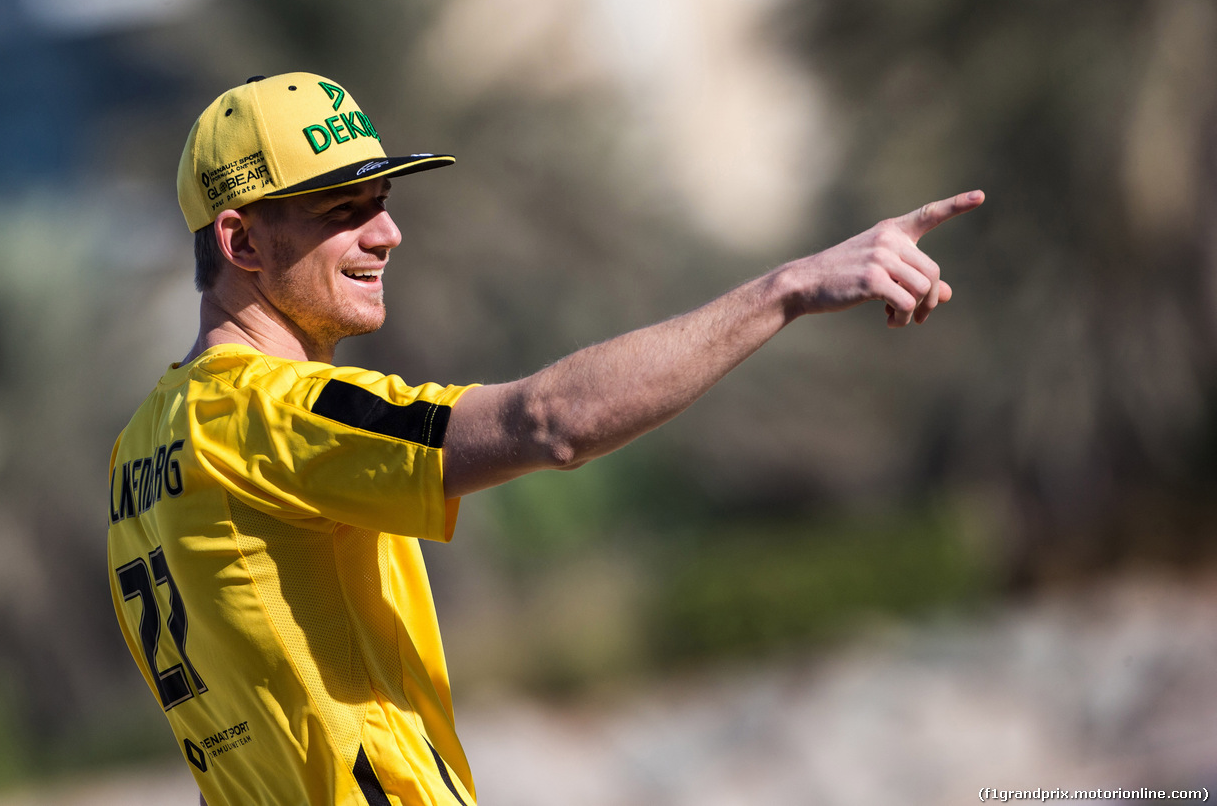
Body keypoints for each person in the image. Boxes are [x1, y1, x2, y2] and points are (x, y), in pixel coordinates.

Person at [107, 71, 983, 806]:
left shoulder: (140, 450)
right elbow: (547, 423)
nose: (388, 231)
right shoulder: (267, 412)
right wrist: (788, 289)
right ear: (242, 240)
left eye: (382, 200)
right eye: (343, 210)